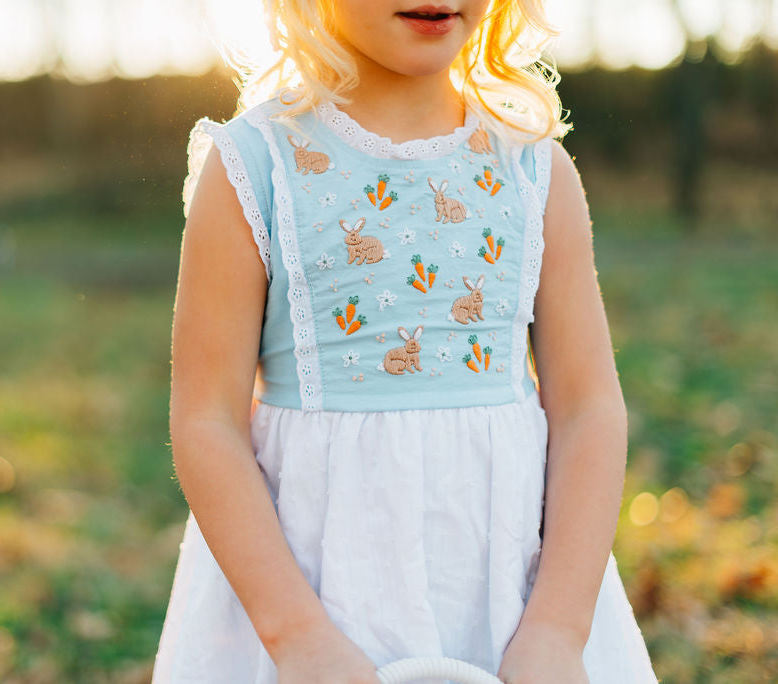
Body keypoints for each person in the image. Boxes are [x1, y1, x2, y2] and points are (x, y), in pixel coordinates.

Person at [153, 1, 660, 682]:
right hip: (307, 606)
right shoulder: (255, 168)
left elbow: (587, 407)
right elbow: (206, 419)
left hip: (503, 601)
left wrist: (559, 628)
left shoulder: (533, 170)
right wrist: (296, 635)